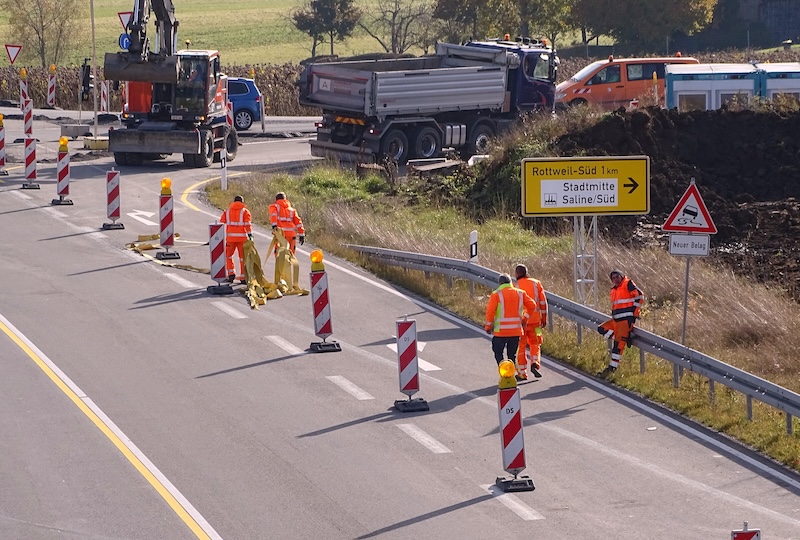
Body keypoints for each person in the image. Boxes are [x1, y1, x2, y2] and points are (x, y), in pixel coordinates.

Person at [485, 274, 537, 379]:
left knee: (498, 353)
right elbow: (532, 305)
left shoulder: (496, 294)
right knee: (511, 355)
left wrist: (488, 326)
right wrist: (525, 319)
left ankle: (504, 372)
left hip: (501, 332)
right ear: (510, 282)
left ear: (500, 283)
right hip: (515, 331)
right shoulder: (520, 293)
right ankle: (510, 374)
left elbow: (490, 312)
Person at [597, 270, 644, 378]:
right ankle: (624, 337)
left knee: (617, 347)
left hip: (625, 321)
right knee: (601, 329)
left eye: (617, 277)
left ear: (621, 276)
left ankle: (612, 368)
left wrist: (634, 313)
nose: (615, 279)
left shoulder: (628, 284)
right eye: (613, 278)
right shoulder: (613, 290)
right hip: (615, 321)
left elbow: (640, 296)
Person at [514, 264, 548, 379]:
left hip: (522, 323)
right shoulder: (536, 283)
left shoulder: (515, 285)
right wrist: (544, 318)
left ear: (517, 274)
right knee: (536, 343)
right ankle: (535, 363)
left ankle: (522, 373)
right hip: (536, 322)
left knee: (521, 346)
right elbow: (543, 303)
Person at [220, 195, 253, 284]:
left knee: (228, 256)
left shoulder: (227, 211)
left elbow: (222, 221)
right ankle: (243, 277)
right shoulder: (245, 212)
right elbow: (248, 225)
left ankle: (231, 274)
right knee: (243, 258)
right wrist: (250, 235)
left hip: (230, 239)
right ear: (242, 202)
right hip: (242, 239)